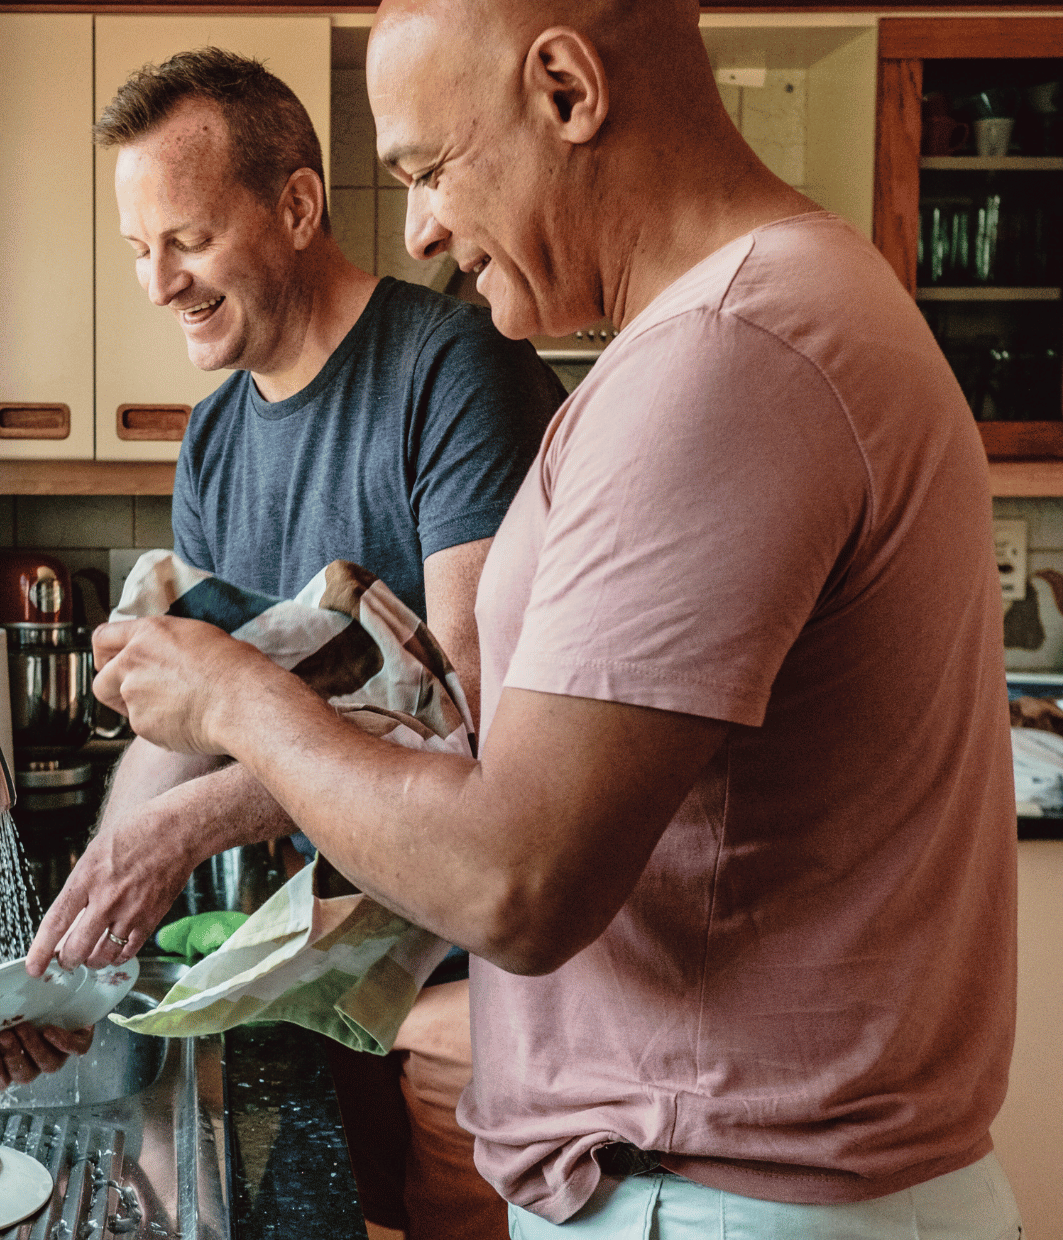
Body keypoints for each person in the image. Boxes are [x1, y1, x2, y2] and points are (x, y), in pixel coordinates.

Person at [80, 2, 1022, 1238]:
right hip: (711, 1182)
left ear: (568, 90)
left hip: (724, 1194)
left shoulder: (725, 356)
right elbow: (516, 759)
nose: (417, 223)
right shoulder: (735, 324)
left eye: (427, 168)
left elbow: (516, 876)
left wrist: (238, 699)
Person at [0, 46, 563, 1240]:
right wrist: (92, 927)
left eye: (184, 240)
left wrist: (182, 833)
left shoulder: (453, 371)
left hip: (473, 1003)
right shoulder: (213, 440)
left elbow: (466, 714)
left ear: (296, 207)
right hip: (316, 979)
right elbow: (183, 725)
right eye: (138, 250)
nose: (157, 284)